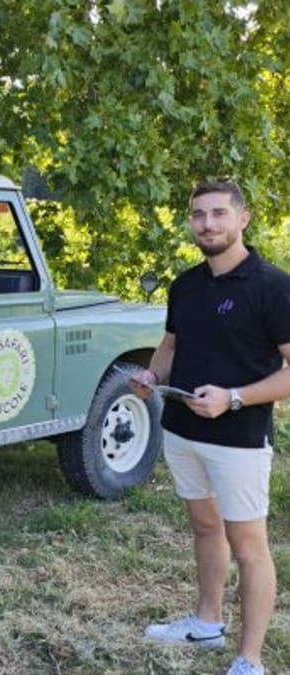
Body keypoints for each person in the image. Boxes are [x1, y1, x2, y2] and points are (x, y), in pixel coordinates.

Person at [129, 179, 290, 675]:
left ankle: (250, 660)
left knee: (249, 547)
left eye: (219, 213)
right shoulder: (186, 284)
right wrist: (153, 375)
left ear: (242, 219)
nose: (208, 224)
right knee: (204, 527)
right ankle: (206, 621)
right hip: (181, 430)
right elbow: (172, 346)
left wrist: (234, 398)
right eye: (199, 215)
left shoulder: (274, 286)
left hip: (238, 441)